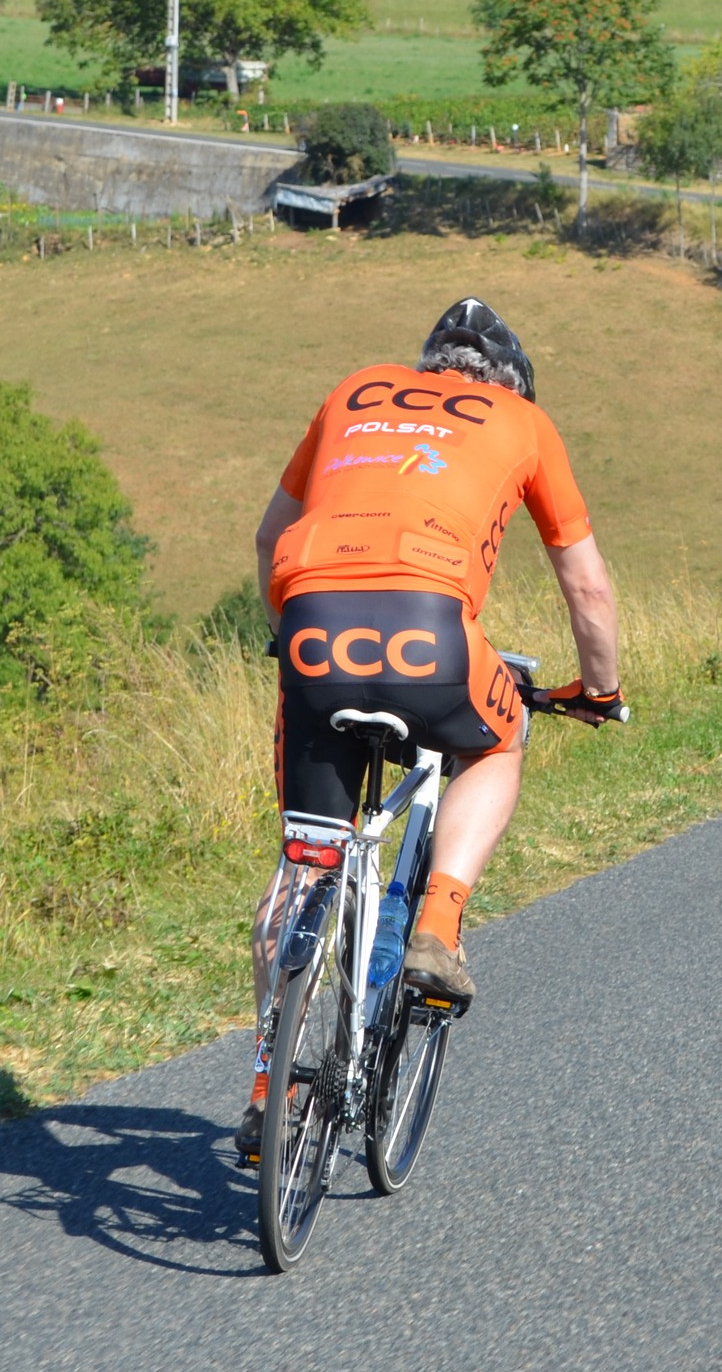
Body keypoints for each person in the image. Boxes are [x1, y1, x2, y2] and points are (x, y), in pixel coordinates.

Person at [239, 299, 624, 1156]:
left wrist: (293, 639)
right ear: (511, 384)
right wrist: (599, 690)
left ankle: (273, 1086)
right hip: (429, 633)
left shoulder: (354, 390)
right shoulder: (523, 420)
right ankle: (439, 929)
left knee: (305, 864)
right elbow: (588, 587)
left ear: (427, 366)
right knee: (500, 735)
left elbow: (270, 535)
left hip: (309, 623)